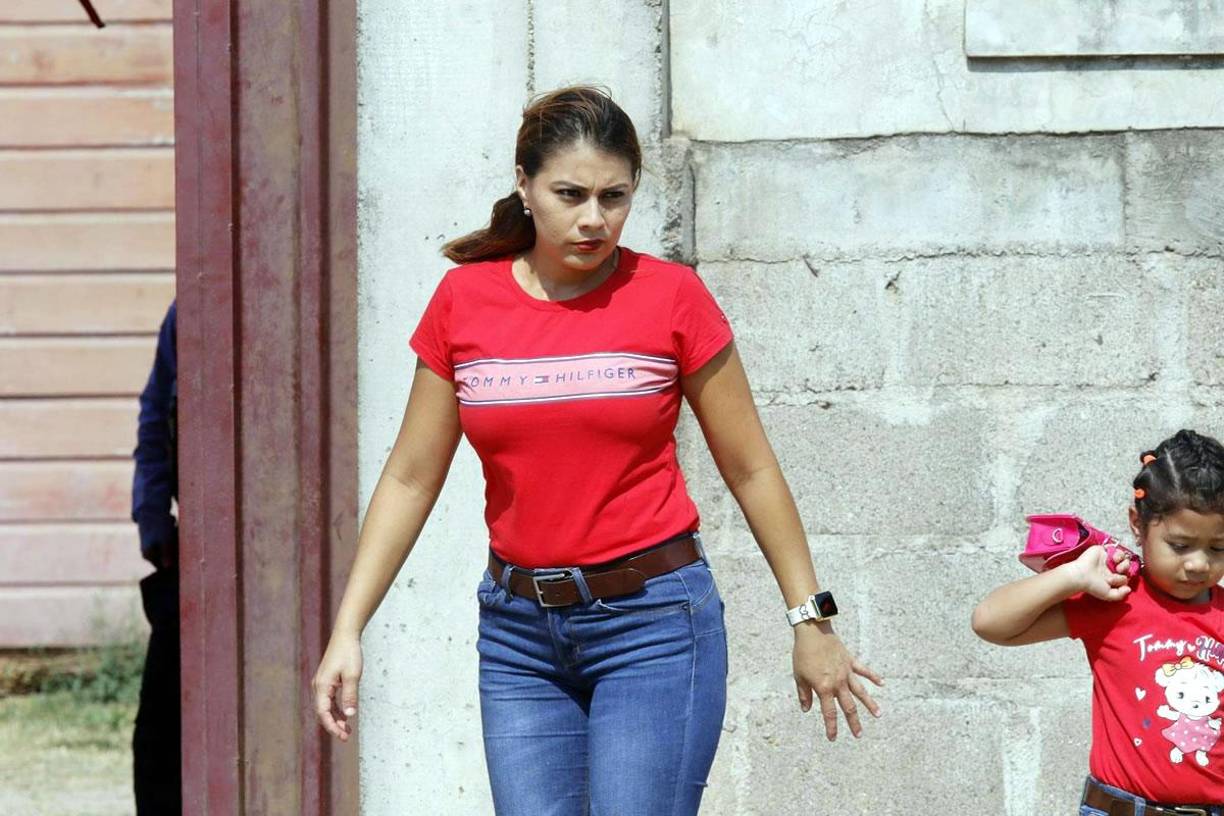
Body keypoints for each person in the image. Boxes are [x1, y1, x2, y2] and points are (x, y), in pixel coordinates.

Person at [313, 86, 880, 814]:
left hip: (655, 628)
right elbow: (410, 478)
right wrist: (348, 629)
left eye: (615, 196)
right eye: (569, 194)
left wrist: (812, 621)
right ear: (524, 184)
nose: (593, 218)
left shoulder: (672, 297)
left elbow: (752, 467)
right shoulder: (463, 301)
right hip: (518, 638)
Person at [972, 429, 1224, 814]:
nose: (1198, 564)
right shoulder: (1114, 597)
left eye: (1218, 548)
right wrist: (1072, 576)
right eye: (1179, 545)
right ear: (1137, 525)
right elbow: (989, 622)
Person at [130, 300, 181, 815]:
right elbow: (154, 412)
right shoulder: (186, 311)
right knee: (158, 743)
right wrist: (151, 514)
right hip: (195, 554)